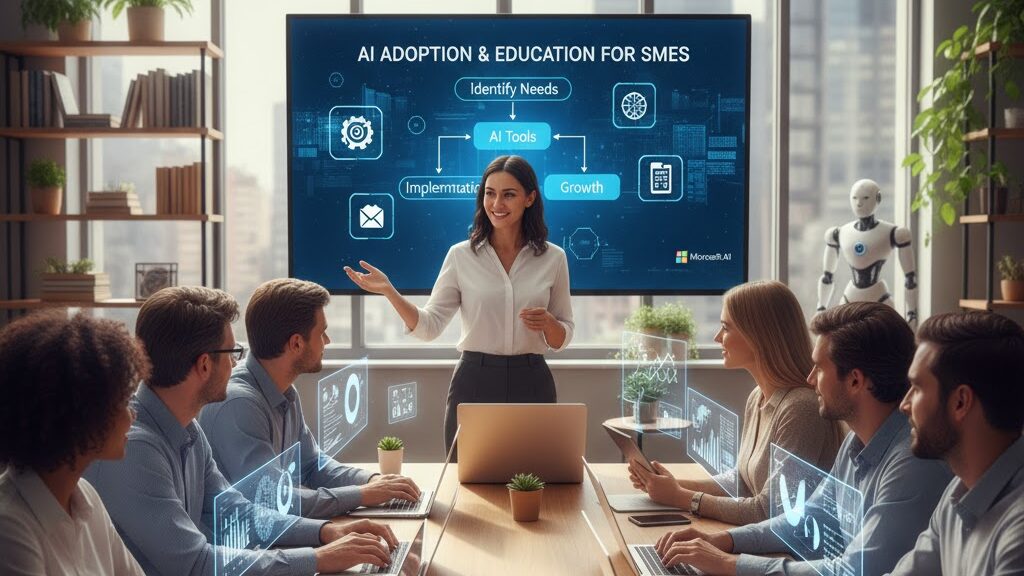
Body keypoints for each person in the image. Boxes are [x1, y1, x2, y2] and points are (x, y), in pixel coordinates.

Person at [84, 287, 398, 576]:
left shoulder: (188, 428)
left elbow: (239, 513)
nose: (236, 365)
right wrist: (317, 558)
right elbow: (196, 563)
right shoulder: (135, 450)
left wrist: (324, 532)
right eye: (232, 353)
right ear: (204, 365)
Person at [653, 302, 952, 575]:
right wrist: (723, 540)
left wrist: (731, 564)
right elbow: (805, 518)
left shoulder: (912, 466)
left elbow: (852, 570)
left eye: (819, 368)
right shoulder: (855, 443)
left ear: (855, 381)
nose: (810, 379)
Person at [345, 154, 575, 453]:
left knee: (533, 476)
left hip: (531, 378)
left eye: (509, 195)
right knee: (466, 478)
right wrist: (390, 291)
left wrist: (549, 324)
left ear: (529, 198)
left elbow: (563, 335)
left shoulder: (553, 258)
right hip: (474, 380)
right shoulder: (461, 256)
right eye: (490, 194)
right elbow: (429, 327)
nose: (497, 204)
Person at [200, 278, 422, 518]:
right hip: (242, 549)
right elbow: (275, 499)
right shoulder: (239, 405)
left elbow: (312, 465)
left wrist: (373, 480)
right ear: (296, 343)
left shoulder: (285, 392)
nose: (327, 341)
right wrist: (362, 494)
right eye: (322, 333)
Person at [630, 280, 843, 524]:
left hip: (789, 555)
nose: (717, 337)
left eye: (726, 328)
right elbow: (743, 481)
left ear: (759, 335)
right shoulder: (758, 397)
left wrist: (682, 497)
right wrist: (672, 485)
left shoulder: (801, 409)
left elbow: (769, 512)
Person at [0, 312, 149, 575]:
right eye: (123, 402)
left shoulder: (86, 497)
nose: (132, 415)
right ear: (82, 414)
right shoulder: (9, 528)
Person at [887, 311, 1024, 575]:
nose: (904, 405)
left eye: (916, 388)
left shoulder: (1018, 532)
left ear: (960, 402)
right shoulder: (958, 492)